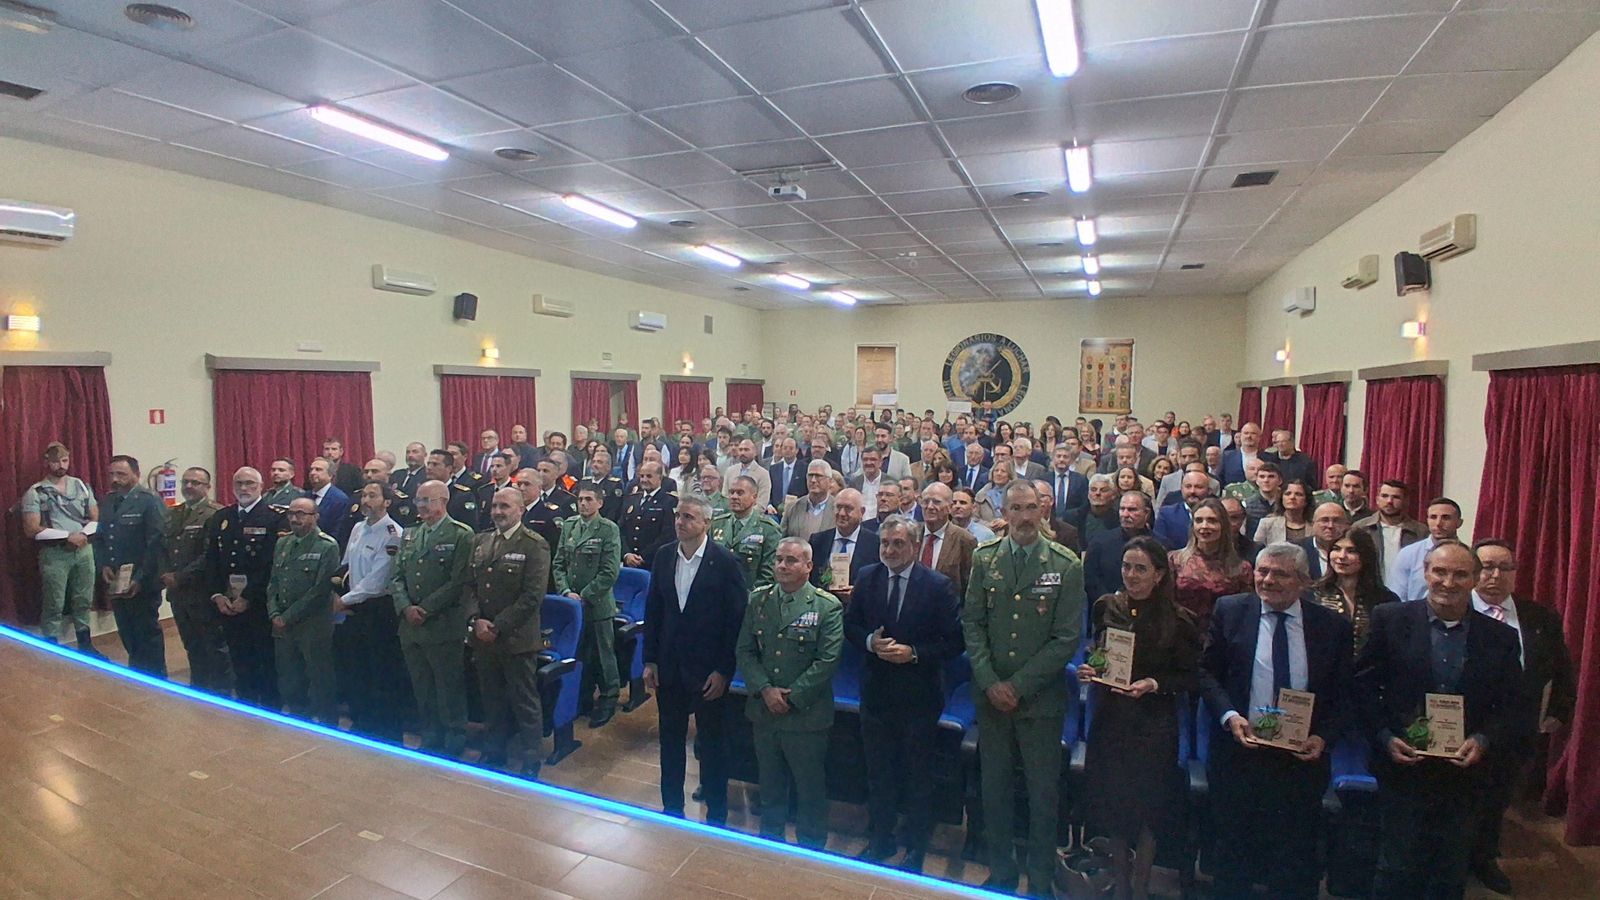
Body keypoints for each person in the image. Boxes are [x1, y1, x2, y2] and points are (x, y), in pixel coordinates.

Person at [1358, 541, 1523, 900]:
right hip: (1402, 765)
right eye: (1440, 572)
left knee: (1449, 870)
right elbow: (1364, 687)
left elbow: (1512, 705)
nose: (1448, 582)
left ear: (1476, 579)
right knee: (1396, 865)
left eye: (1461, 574)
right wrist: (1385, 737)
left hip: (1465, 773)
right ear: (1426, 572)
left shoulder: (1501, 637)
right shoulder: (1390, 619)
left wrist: (1483, 740)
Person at [1200, 542, 1355, 900]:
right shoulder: (1230, 610)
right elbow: (1206, 674)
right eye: (1262, 571)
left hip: (1300, 763)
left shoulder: (1332, 627)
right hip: (1239, 755)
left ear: (1303, 581)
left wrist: (1323, 738)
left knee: (1295, 859)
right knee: (1232, 857)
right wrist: (1230, 716)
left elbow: (1345, 695)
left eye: (1279, 574)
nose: (1267, 580)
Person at [964, 481, 1084, 895]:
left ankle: (1040, 878)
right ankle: (1001, 872)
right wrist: (990, 682)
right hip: (991, 697)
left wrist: (1017, 685)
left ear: (1043, 511)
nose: (1025, 516)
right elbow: (973, 624)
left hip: (1039, 702)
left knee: (1042, 795)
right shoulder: (985, 559)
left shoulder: (1066, 565)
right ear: (1005, 512)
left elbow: (1067, 638)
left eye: (1032, 507)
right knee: (994, 790)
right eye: (1016, 508)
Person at [1079, 536, 1201, 900]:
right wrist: (1091, 669)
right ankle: (1120, 883)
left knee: (1149, 808)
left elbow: (1192, 676)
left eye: (1140, 569)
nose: (1131, 575)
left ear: (1160, 575)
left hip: (1153, 722)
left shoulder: (1180, 621)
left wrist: (1155, 683)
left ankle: (1142, 886)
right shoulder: (1106, 606)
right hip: (1112, 718)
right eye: (1126, 567)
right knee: (1113, 805)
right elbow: (1098, 651)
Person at [846, 517, 963, 872]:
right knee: (878, 772)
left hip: (918, 695)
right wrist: (869, 642)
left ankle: (915, 848)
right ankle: (880, 840)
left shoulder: (937, 585)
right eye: (885, 543)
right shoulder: (868, 577)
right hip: (877, 692)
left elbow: (954, 642)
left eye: (898, 544)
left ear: (914, 547)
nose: (890, 550)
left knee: (916, 776)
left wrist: (913, 653)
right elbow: (851, 624)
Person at [1468, 539, 1575, 895]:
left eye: (1504, 568)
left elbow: (1561, 669)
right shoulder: (1453, 610)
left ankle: (1484, 858)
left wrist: (1559, 710)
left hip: (1517, 729)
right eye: (1486, 566)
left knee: (1497, 797)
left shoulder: (1539, 617)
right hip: (1462, 726)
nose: (1494, 575)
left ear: (1515, 574)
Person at [643, 495, 748, 825]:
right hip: (670, 665)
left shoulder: (725, 562)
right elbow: (654, 610)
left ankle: (716, 814)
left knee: (712, 744)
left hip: (708, 669)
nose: (680, 522)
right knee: (670, 740)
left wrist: (724, 670)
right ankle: (671, 807)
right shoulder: (663, 556)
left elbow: (736, 621)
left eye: (688, 517)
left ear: (706, 524)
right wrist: (650, 660)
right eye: (678, 516)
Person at [735, 536, 843, 850]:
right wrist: (766, 690)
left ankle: (811, 847)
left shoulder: (826, 606)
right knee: (769, 784)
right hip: (764, 710)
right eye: (779, 559)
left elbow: (827, 660)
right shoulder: (759, 599)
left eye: (791, 560)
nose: (782, 565)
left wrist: (791, 697)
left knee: (809, 787)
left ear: (809, 566)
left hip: (805, 716)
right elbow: (745, 650)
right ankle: (771, 842)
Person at [464, 487, 550, 778]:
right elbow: (470, 587)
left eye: (505, 506)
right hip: (482, 636)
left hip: (516, 638)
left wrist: (497, 626)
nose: (498, 511)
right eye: (494, 506)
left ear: (521, 509)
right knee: (491, 698)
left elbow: (532, 596)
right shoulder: (481, 540)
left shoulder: (534, 544)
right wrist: (476, 620)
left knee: (523, 700)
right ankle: (495, 750)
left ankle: (530, 757)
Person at [390, 480, 475, 757]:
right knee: (422, 685)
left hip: (442, 625)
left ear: (444, 501)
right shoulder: (410, 535)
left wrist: (424, 609)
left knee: (448, 685)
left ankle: (454, 736)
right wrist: (406, 607)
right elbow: (397, 577)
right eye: (418, 501)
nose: (422, 506)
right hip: (410, 626)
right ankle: (431, 733)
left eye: (428, 500)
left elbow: (458, 581)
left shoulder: (461, 534)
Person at [205, 467, 285, 709]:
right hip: (228, 602)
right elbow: (212, 560)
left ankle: (270, 707)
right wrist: (217, 594)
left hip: (259, 602)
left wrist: (248, 597)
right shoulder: (222, 517)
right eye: (238, 483)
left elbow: (271, 564)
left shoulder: (274, 517)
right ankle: (246, 704)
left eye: (249, 483)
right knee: (238, 656)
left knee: (264, 656)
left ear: (261, 487)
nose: (244, 488)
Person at [334, 481, 408, 742]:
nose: (366, 500)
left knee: (381, 672)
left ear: (387, 502)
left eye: (373, 496)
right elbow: (346, 565)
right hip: (354, 606)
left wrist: (344, 600)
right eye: (364, 495)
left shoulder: (393, 534)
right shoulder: (357, 528)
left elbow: (378, 580)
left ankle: (384, 729)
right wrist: (338, 591)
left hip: (378, 610)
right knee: (357, 669)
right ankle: (361, 722)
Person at [89, 455, 169, 676]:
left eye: (121, 474)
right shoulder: (109, 500)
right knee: (127, 631)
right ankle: (138, 674)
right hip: (117, 580)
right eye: (112, 474)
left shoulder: (149, 501)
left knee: (146, 633)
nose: (115, 479)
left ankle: (156, 678)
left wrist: (140, 578)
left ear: (136, 474)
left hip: (142, 582)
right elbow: (102, 537)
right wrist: (104, 564)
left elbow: (157, 544)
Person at [18, 442, 100, 654]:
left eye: (64, 460)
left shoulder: (81, 486)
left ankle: (85, 642)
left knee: (83, 597)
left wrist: (82, 534)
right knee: (54, 601)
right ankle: (51, 645)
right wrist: (67, 536)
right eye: (55, 461)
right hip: (55, 553)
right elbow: (31, 529)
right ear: (47, 462)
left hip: (84, 549)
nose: (60, 465)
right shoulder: (36, 492)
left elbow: (95, 516)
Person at [555, 482, 623, 728]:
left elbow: (609, 571)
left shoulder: (608, 529)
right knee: (580, 654)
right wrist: (565, 591)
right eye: (580, 499)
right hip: (571, 604)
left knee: (603, 655)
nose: (583, 504)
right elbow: (559, 563)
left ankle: (608, 697)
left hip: (597, 605)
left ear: (600, 503)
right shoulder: (570, 525)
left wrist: (584, 595)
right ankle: (583, 698)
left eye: (588, 500)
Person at [267, 497, 341, 723]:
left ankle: (327, 722)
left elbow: (319, 590)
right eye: (291, 513)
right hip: (283, 623)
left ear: (315, 517)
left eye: (301, 514)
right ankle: (298, 719)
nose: (294, 519)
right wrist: (274, 613)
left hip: (312, 624)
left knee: (319, 677)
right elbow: (274, 583)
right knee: (289, 677)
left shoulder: (327, 545)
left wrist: (287, 616)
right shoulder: (283, 543)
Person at [162, 466, 229, 692]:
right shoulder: (174, 512)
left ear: (207, 487)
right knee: (191, 643)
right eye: (186, 482)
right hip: (178, 593)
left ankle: (220, 689)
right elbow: (165, 547)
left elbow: (209, 556)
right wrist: (165, 573)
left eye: (196, 483)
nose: (189, 486)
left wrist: (180, 576)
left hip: (202, 590)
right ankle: (199, 684)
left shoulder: (215, 513)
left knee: (213, 644)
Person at [1170, 498, 1253, 640]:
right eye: (1199, 520)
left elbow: (1245, 613)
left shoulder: (1241, 568)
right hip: (1181, 639)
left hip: (1223, 639)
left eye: (1212, 520)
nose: (1204, 526)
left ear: (1223, 526)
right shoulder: (1175, 560)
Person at [1312, 528, 1398, 654]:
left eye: (1351, 551)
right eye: (1336, 549)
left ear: (1365, 556)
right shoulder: (1312, 595)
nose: (1342, 556)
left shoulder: (1385, 599)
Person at [1386, 497, 1464, 602]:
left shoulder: (1467, 557)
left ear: (1459, 523)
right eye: (1433, 517)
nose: (1438, 523)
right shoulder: (1408, 554)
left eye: (1446, 518)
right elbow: (1397, 596)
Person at [712, 475, 781, 590]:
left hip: (750, 598)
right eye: (731, 492)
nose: (734, 497)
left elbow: (769, 573)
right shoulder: (717, 524)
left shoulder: (769, 529)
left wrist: (750, 597)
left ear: (754, 497)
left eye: (740, 493)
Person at [1084, 491, 1154, 604]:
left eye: (1132, 510)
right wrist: (1111, 602)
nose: (1125, 514)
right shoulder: (1100, 542)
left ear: (1146, 513)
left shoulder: (1160, 544)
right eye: (1122, 509)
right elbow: (1091, 579)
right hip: (1107, 611)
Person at [808, 488, 880, 597]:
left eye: (848, 508)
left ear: (862, 512)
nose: (842, 513)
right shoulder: (818, 541)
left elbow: (879, 583)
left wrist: (857, 593)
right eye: (838, 507)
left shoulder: (875, 544)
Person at [1352, 479, 1427, 578]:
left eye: (1396, 497)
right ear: (1377, 499)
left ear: (1406, 501)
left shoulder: (1421, 532)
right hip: (1369, 589)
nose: (1389, 501)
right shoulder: (1360, 528)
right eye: (1384, 496)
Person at [918, 482, 977, 598]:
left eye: (936, 502)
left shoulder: (964, 540)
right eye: (925, 502)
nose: (930, 507)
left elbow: (969, 586)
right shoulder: (911, 534)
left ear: (950, 508)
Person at [620, 461, 677, 568]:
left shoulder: (669, 501)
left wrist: (643, 556)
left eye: (649, 476)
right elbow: (621, 530)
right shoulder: (632, 499)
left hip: (654, 563)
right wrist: (626, 554)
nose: (644, 480)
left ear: (660, 478)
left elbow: (668, 535)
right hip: (628, 562)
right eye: (642, 476)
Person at [1153, 469, 1213, 550]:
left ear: (1209, 491)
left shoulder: (1217, 514)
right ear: (1181, 489)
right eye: (1188, 486)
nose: (1192, 491)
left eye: (1198, 487)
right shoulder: (1166, 514)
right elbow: (1159, 548)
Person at [779, 459, 836, 541]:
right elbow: (781, 538)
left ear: (830, 481)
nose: (813, 480)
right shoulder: (793, 507)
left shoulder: (837, 509)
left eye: (818, 476)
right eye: (810, 475)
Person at [305, 457, 351, 544]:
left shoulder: (340, 499)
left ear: (330, 475)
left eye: (318, 470)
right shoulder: (305, 496)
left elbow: (338, 531)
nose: (312, 473)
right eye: (311, 469)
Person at [1253, 477, 1311, 546]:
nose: (1292, 497)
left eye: (1298, 494)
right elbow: (1256, 551)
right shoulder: (1267, 524)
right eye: (1288, 494)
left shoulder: (1314, 526)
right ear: (1281, 498)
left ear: (1306, 500)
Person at [1046, 444, 1090, 516]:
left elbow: (1084, 504)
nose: (1061, 459)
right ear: (1053, 458)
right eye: (1058, 456)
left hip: (1073, 521)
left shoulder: (1081, 480)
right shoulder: (1044, 479)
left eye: (1065, 457)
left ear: (1071, 460)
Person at [1218, 422, 1262, 486]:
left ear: (1259, 437)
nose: (1249, 436)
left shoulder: (1269, 458)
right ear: (1241, 436)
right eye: (1246, 433)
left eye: (1253, 433)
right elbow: (1221, 479)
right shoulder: (1227, 457)